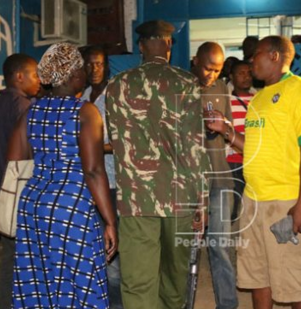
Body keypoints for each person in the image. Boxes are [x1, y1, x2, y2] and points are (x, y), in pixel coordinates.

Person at [206, 35, 301, 309]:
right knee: (258, 275)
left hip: (286, 200)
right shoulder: (259, 99)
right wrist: (227, 131)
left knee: (297, 279)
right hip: (254, 201)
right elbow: (254, 149)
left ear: (274, 56)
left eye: (255, 54)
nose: (250, 60)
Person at [105, 20, 210, 309]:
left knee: (138, 281)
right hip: (180, 197)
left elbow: (115, 140)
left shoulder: (117, 85)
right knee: (174, 278)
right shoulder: (187, 83)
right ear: (169, 45)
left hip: (136, 199)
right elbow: (195, 147)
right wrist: (202, 201)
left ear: (140, 46)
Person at [7, 43, 117, 308]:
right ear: (71, 75)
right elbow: (93, 170)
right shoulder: (85, 112)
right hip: (72, 208)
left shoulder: (32, 111)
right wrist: (110, 220)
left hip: (34, 205)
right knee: (81, 280)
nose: (85, 73)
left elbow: (14, 160)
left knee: (41, 279)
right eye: (80, 68)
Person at [0, 53, 40, 309]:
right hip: (19, 196)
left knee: (11, 258)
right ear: (19, 77)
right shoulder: (23, 108)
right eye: (34, 75)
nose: (39, 81)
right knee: (21, 262)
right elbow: (32, 154)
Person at [191, 41, 238, 309]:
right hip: (190, 182)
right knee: (187, 248)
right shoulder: (181, 87)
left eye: (218, 70)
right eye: (208, 68)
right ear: (196, 61)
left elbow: (228, 128)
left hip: (220, 178)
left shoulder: (222, 88)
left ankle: (228, 305)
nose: (212, 75)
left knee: (219, 247)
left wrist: (219, 128)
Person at [79, 45, 123, 309]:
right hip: (87, 186)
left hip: (112, 184)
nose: (94, 69)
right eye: (89, 64)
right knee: (93, 253)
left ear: (106, 66)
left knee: (113, 256)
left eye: (98, 64)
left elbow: (124, 142)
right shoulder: (82, 95)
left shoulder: (115, 95)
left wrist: (92, 146)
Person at [226, 60, 255, 221]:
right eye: (241, 73)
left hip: (252, 158)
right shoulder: (226, 100)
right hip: (232, 160)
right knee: (232, 202)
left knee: (251, 202)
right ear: (231, 76)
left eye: (249, 73)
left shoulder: (258, 99)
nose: (246, 77)